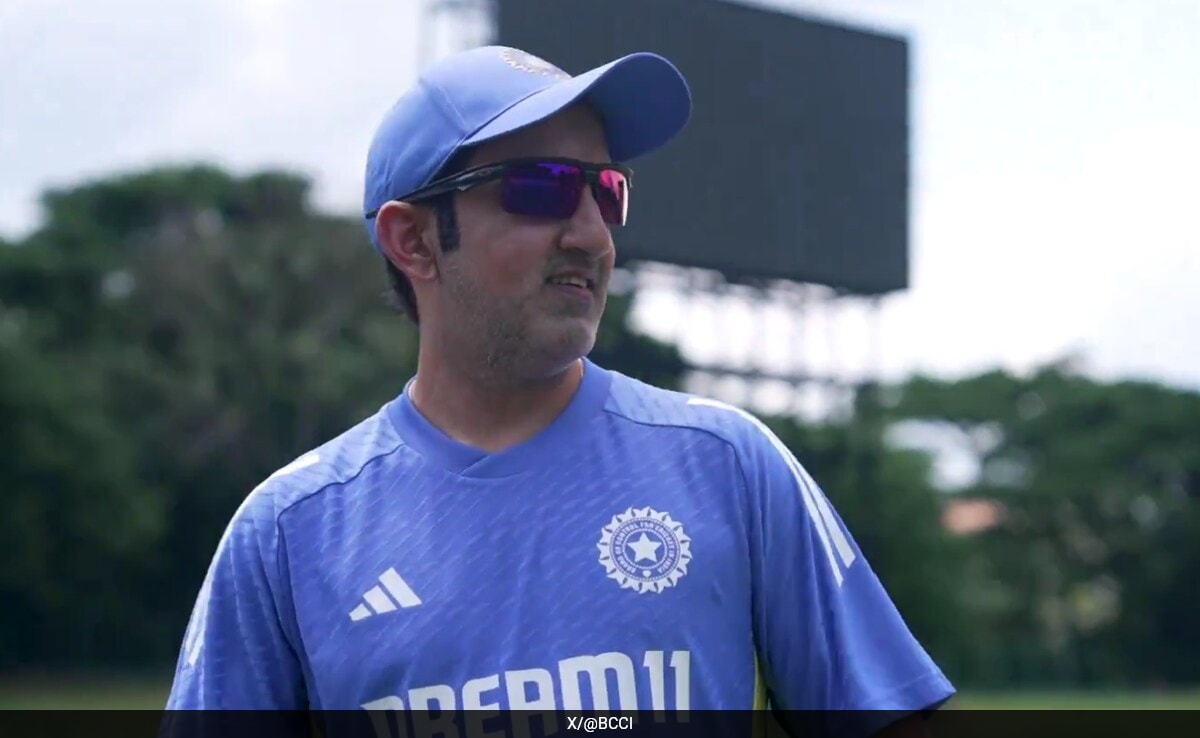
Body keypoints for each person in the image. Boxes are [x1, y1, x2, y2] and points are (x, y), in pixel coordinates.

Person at [163, 45, 955, 737]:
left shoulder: (729, 465)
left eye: (606, 190)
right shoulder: (290, 529)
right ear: (413, 240)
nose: (593, 235)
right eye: (539, 189)